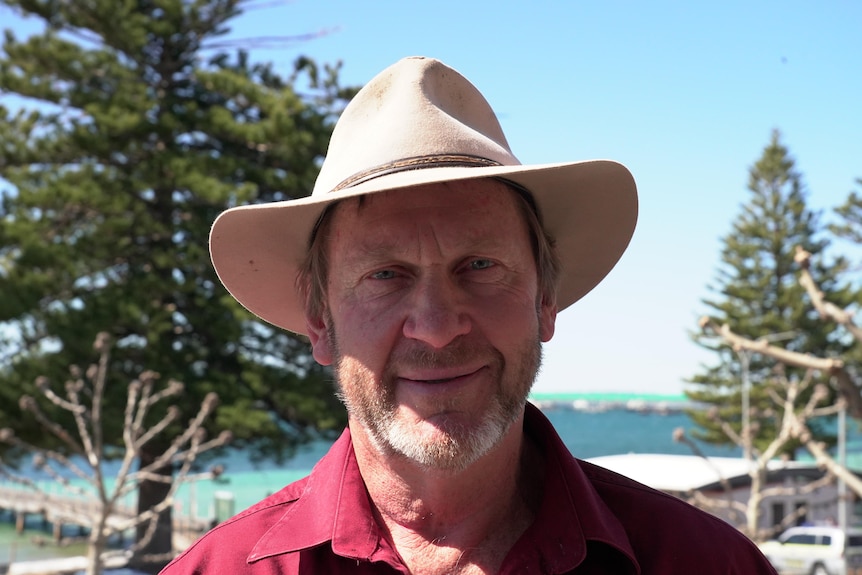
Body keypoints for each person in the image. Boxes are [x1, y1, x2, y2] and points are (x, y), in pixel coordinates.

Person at [161, 56, 777, 574]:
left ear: (544, 301)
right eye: (384, 276)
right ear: (321, 323)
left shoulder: (701, 563)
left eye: (480, 267)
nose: (435, 325)